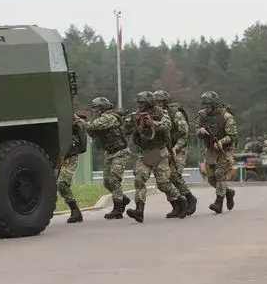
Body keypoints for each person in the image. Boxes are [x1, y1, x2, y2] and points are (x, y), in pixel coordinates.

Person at [125, 91, 188, 222]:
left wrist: (153, 123)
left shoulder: (160, 113)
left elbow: (167, 125)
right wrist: (131, 122)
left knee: (163, 183)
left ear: (148, 103)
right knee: (139, 179)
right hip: (145, 152)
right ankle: (139, 210)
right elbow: (127, 129)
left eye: (142, 103)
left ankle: (180, 200)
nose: (139, 105)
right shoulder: (137, 114)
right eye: (138, 103)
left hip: (160, 152)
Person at [76, 97, 131, 219]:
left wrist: (78, 120)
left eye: (97, 109)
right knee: (107, 182)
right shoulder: (101, 119)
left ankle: (118, 209)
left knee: (114, 180)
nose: (95, 111)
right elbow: (93, 132)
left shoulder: (109, 118)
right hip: (109, 153)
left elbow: (91, 127)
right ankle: (123, 199)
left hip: (120, 152)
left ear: (102, 109)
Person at [153, 90, 197, 216]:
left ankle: (190, 198)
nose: (157, 105)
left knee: (174, 174)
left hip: (179, 148)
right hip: (164, 149)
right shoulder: (154, 115)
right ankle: (176, 205)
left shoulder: (176, 114)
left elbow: (184, 135)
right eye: (155, 103)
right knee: (164, 179)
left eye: (159, 102)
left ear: (165, 102)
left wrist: (176, 148)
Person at [195, 91, 238, 213]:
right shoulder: (202, 115)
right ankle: (228, 192)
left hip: (226, 149)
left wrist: (221, 142)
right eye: (204, 105)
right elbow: (196, 130)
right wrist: (201, 130)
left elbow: (233, 136)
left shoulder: (227, 117)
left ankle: (218, 202)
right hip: (211, 149)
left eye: (208, 105)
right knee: (211, 178)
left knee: (220, 174)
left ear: (215, 104)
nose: (206, 108)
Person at [57, 112, 89, 223]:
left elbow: (82, 123)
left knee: (62, 184)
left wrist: (74, 117)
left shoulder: (71, 116)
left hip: (70, 155)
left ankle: (75, 210)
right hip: (61, 156)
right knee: (57, 184)